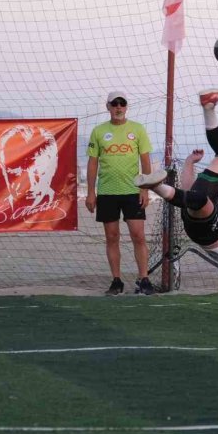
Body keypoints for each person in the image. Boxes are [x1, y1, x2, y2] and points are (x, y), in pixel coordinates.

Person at [134, 89, 218, 322]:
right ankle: (209, 108)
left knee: (203, 200)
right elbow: (191, 192)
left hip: (213, 235)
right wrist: (189, 162)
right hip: (203, 218)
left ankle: (157, 186)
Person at [86, 91, 155, 296]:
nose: (118, 107)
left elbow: (145, 161)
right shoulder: (98, 131)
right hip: (107, 193)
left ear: (126, 107)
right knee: (112, 237)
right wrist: (91, 192)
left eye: (122, 104)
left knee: (138, 235)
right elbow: (92, 163)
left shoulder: (137, 129)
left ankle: (144, 279)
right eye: (114, 104)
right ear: (108, 107)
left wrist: (145, 188)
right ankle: (116, 281)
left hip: (132, 191)